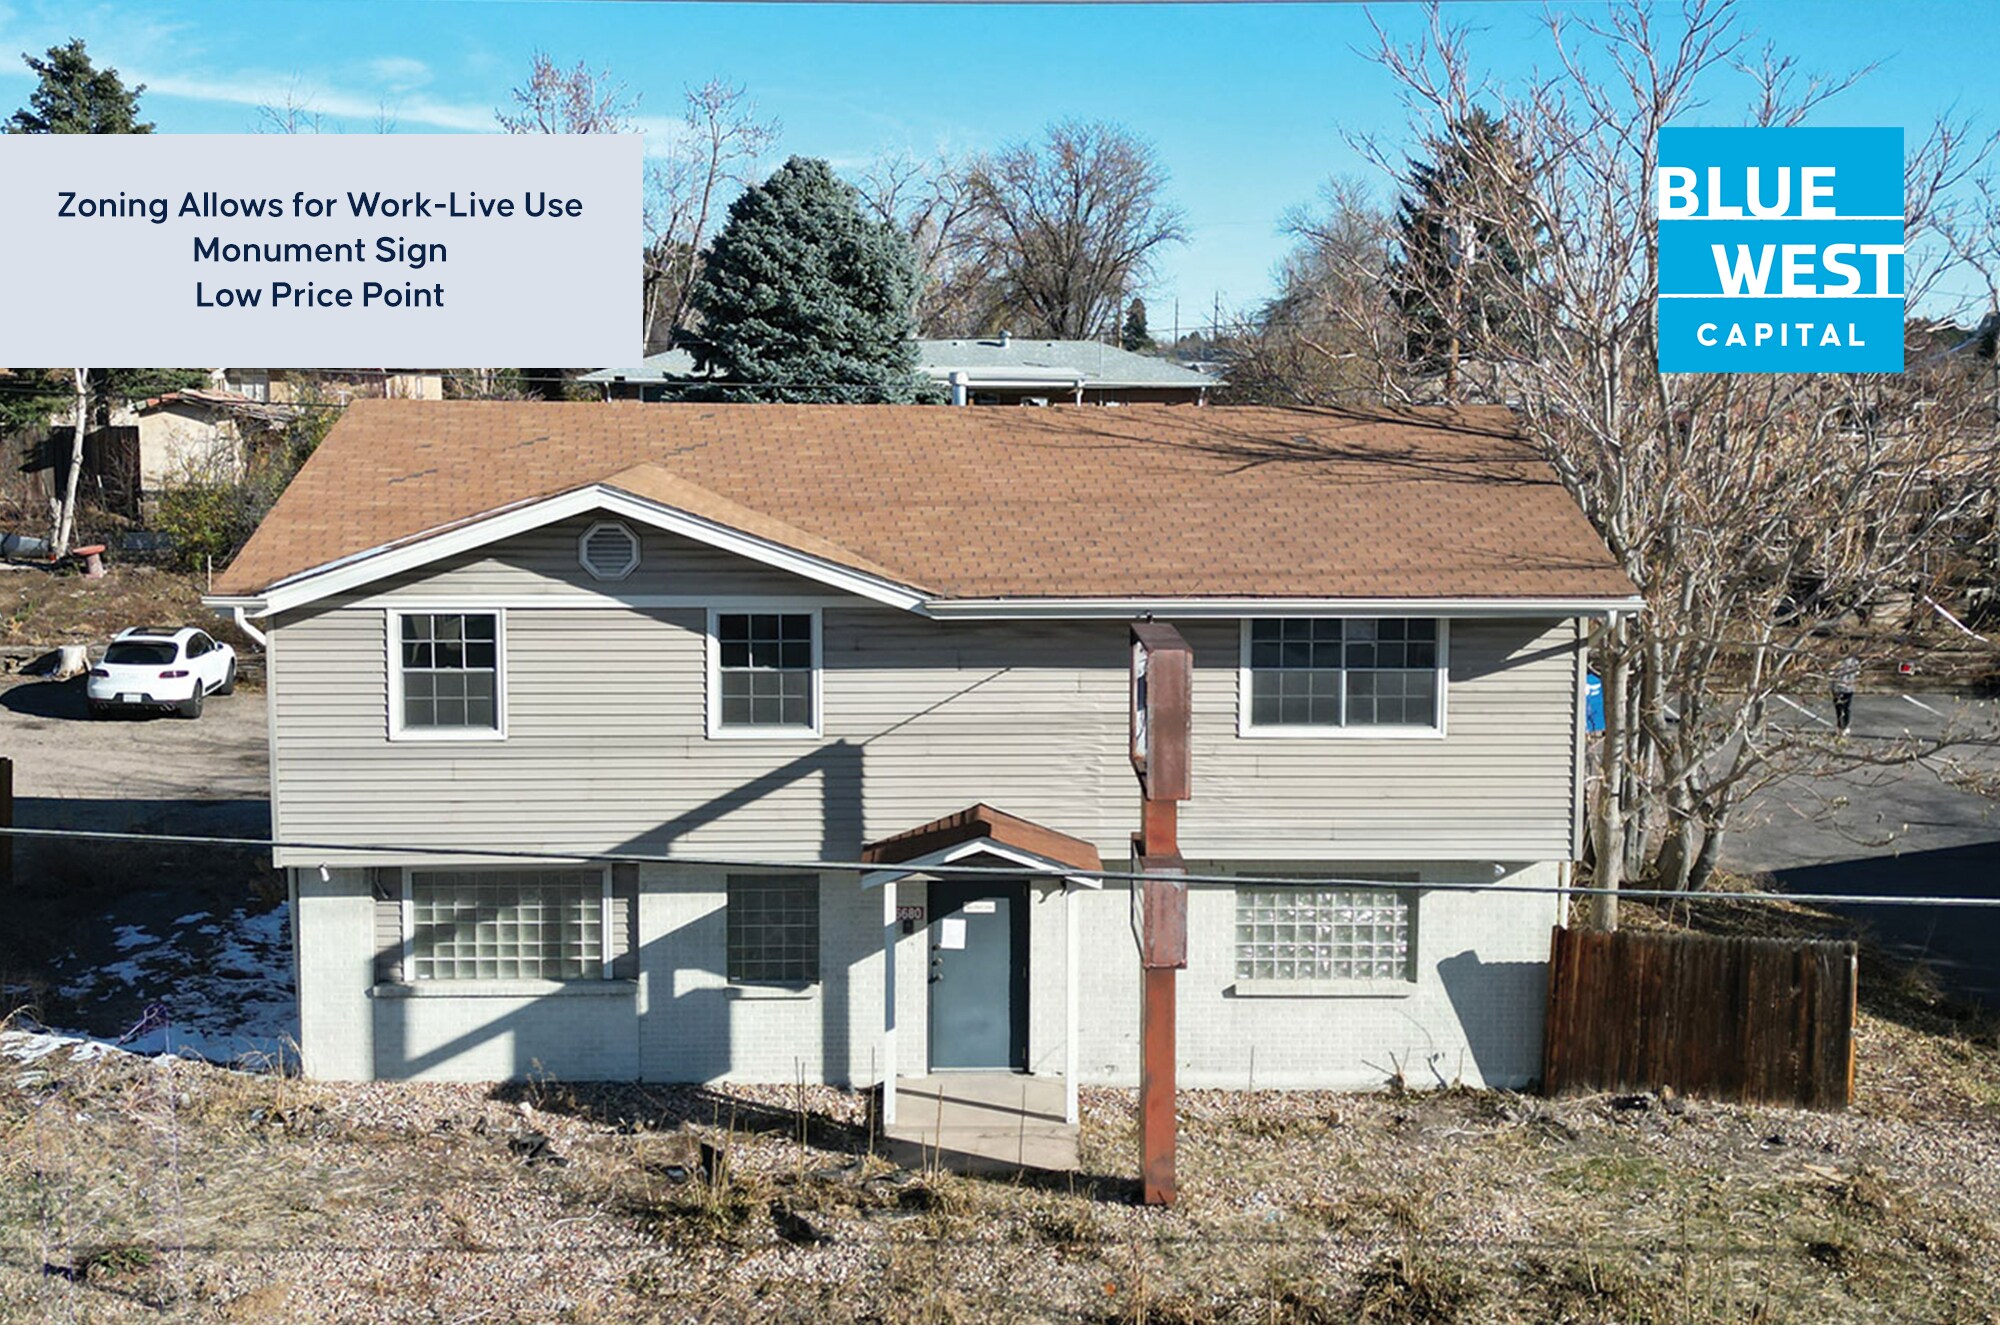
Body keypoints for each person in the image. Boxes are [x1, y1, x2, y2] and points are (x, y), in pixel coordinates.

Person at [1831, 655, 1861, 735]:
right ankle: (1843, 726)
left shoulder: (1837, 660)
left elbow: (1831, 673)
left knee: (1840, 708)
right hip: (1847, 687)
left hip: (1839, 687)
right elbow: (1857, 672)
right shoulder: (1854, 661)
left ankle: (1841, 726)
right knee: (1845, 708)